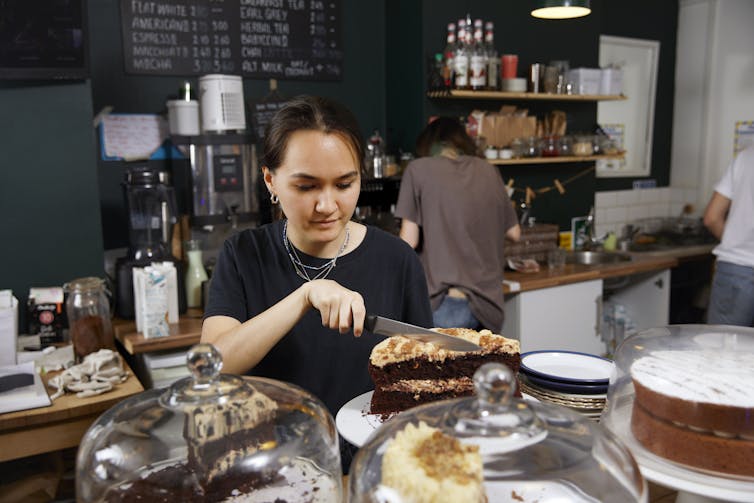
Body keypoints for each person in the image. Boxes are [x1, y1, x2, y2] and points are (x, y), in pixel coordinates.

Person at [201, 95, 433, 418]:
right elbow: (212, 364)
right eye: (307, 187)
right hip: (278, 458)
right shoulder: (242, 255)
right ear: (271, 180)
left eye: (344, 184)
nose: (326, 205)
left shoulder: (397, 260)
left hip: (369, 458)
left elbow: (422, 376)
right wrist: (305, 296)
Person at [395, 116, 520, 333]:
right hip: (488, 307)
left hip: (444, 304)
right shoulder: (489, 170)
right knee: (479, 368)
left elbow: (408, 241)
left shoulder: (418, 169)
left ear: (427, 144)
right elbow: (514, 233)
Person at [702, 144, 754, 327]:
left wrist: (736, 243)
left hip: (735, 270)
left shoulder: (747, 156)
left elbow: (711, 218)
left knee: (722, 351)